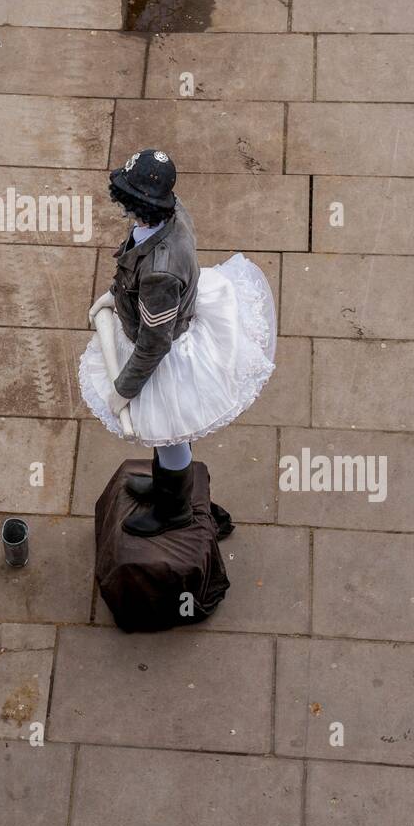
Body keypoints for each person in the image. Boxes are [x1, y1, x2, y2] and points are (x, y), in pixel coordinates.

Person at [79, 149, 276, 538]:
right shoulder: (170, 212)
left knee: (170, 434)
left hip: (169, 356)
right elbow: (133, 259)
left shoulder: (160, 275)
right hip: (173, 321)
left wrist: (124, 390)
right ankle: (164, 484)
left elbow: (154, 343)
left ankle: (174, 511)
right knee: (168, 436)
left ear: (140, 204)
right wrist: (114, 295)